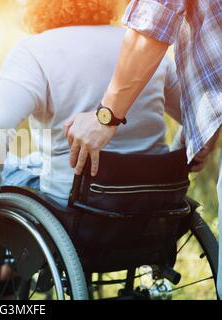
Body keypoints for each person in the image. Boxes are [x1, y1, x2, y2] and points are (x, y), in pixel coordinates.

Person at [0, 0, 183, 297]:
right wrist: (182, 151)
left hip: (74, 213)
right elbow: (197, 116)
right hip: (153, 210)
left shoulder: (35, 52)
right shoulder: (142, 49)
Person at [63, 0, 222, 296]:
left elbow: (153, 21)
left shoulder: (35, 50)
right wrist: (203, 128)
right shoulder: (162, 65)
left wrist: (106, 116)